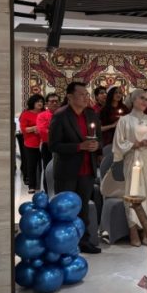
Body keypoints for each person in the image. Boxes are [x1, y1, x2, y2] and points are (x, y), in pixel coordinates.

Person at [48, 82, 102, 254]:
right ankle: (63, 244)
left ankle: (83, 241)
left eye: (87, 94)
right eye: (82, 94)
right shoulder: (61, 115)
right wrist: (80, 147)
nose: (86, 97)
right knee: (65, 209)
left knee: (83, 207)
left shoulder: (91, 114)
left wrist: (96, 146)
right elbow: (54, 145)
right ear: (70, 97)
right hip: (67, 170)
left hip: (87, 169)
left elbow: (99, 139)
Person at [113, 89, 147, 246]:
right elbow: (118, 143)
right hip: (133, 159)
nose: (145, 101)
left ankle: (146, 229)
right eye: (142, 98)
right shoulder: (124, 120)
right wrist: (134, 144)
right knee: (132, 192)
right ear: (133, 99)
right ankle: (133, 229)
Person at [20, 94, 44, 194]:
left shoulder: (45, 113)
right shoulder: (26, 114)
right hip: (30, 144)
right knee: (32, 166)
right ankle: (32, 186)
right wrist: (35, 128)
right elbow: (23, 129)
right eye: (38, 101)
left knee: (43, 166)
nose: (40, 103)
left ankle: (44, 186)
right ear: (32, 103)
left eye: (41, 101)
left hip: (44, 143)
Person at [36, 93, 60, 193]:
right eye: (52, 101)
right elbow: (42, 130)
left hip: (62, 146)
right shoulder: (42, 116)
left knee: (61, 169)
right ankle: (48, 191)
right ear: (47, 103)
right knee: (48, 169)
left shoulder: (63, 114)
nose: (54, 103)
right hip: (48, 145)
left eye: (56, 101)